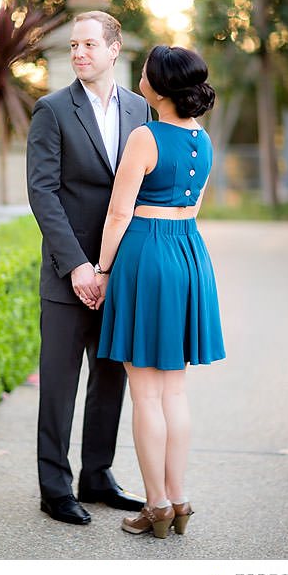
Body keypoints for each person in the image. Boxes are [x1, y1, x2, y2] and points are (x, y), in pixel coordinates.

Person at [88, 44, 225, 539]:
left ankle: (157, 505)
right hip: (189, 253)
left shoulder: (146, 136)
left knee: (145, 393)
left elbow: (119, 213)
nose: (140, 76)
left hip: (146, 254)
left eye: (145, 71)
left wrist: (102, 270)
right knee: (174, 390)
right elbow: (194, 205)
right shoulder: (202, 140)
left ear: (158, 86)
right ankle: (178, 497)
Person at [27, 10, 150, 525]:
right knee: (58, 383)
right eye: (74, 46)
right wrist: (78, 265)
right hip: (68, 274)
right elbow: (43, 192)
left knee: (109, 379)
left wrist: (114, 265)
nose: (79, 53)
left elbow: (144, 187)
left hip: (119, 270)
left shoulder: (142, 110)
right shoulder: (52, 110)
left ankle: (96, 475)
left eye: (88, 45)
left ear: (114, 49)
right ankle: (54, 488)